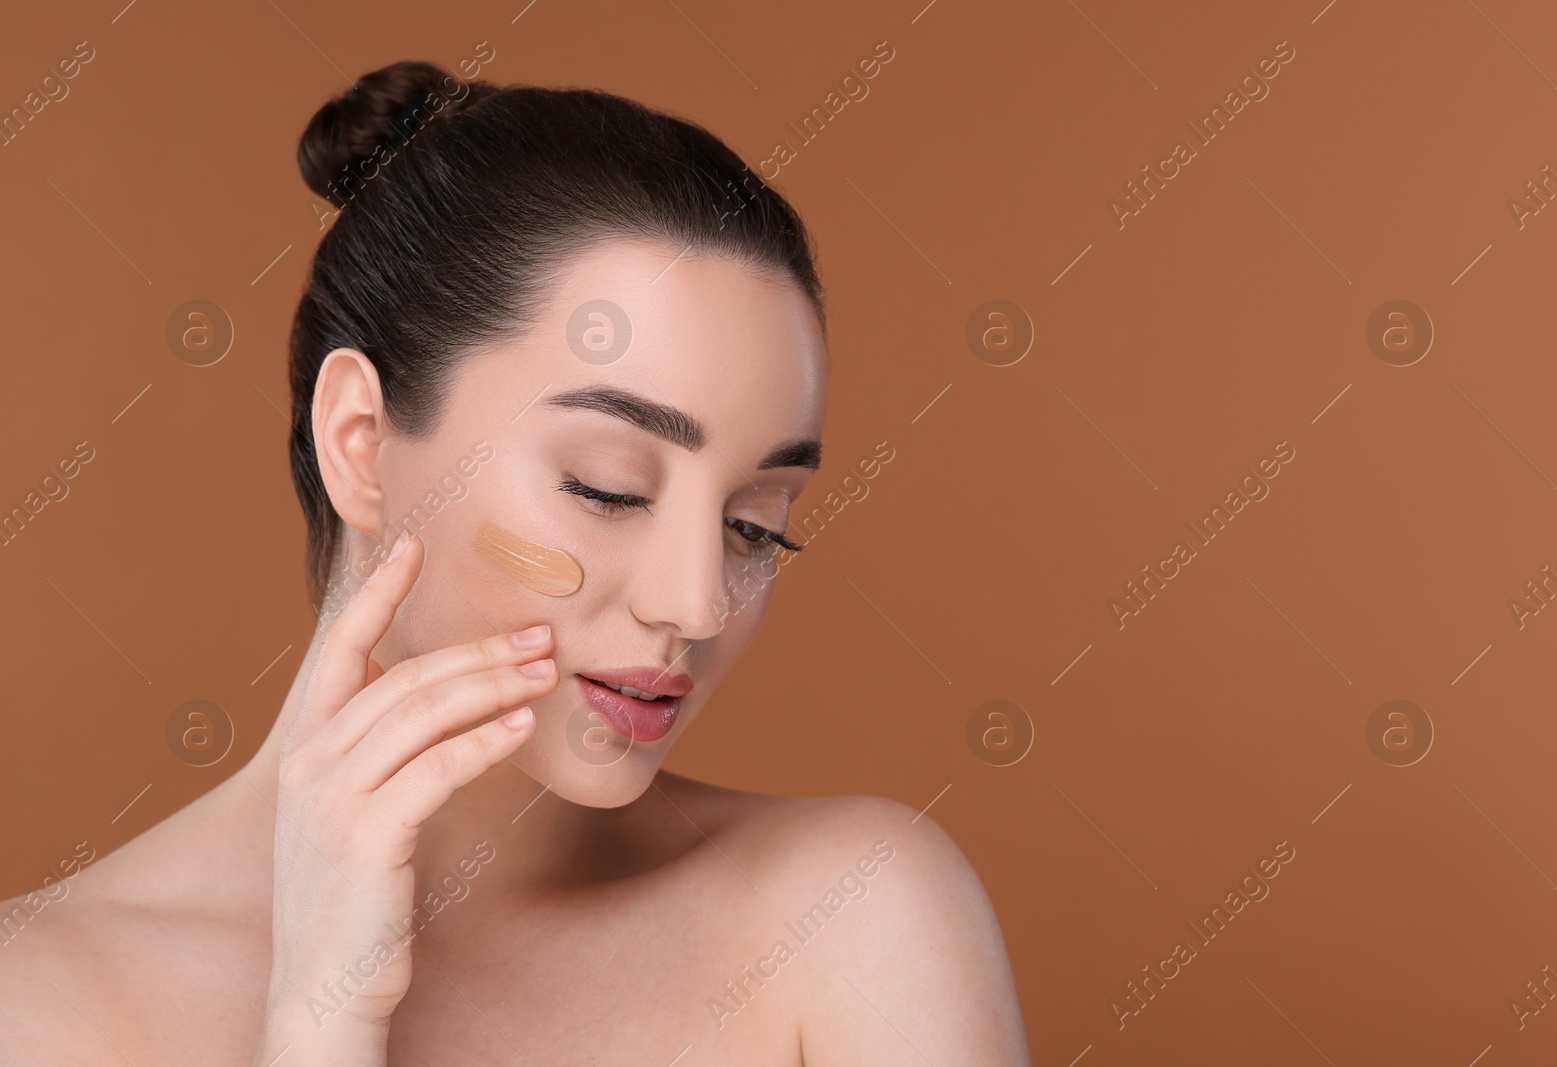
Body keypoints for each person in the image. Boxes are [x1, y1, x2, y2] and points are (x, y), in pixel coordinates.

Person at [0, 60, 1029, 1065]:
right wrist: (322, 1020)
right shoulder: (37, 1000)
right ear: (360, 439)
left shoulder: (851, 918)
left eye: (756, 524)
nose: (698, 603)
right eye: (606, 486)